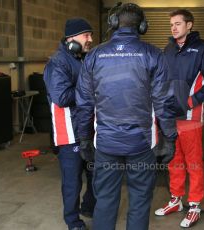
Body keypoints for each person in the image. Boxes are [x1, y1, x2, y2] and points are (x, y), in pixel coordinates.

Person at [75, 3, 177, 230]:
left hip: (106, 143)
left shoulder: (94, 56)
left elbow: (83, 103)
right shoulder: (153, 55)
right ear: (142, 26)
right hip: (142, 144)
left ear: (112, 24)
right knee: (140, 200)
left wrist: (83, 137)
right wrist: (170, 138)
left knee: (105, 200)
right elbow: (164, 102)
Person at [154, 9, 204, 228]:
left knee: (193, 162)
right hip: (169, 116)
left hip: (190, 115)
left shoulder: (203, 49)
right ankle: (176, 200)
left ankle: (194, 205)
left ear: (189, 25)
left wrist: (192, 100)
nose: (173, 28)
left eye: (178, 24)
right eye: (171, 24)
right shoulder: (168, 49)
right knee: (174, 160)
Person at [43, 18, 96, 230]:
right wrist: (90, 89)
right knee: (73, 181)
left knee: (95, 173)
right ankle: (73, 222)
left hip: (87, 129)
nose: (90, 39)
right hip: (69, 133)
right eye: (86, 35)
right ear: (71, 38)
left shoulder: (81, 58)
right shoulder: (57, 62)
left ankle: (89, 207)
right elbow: (62, 97)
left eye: (90, 35)